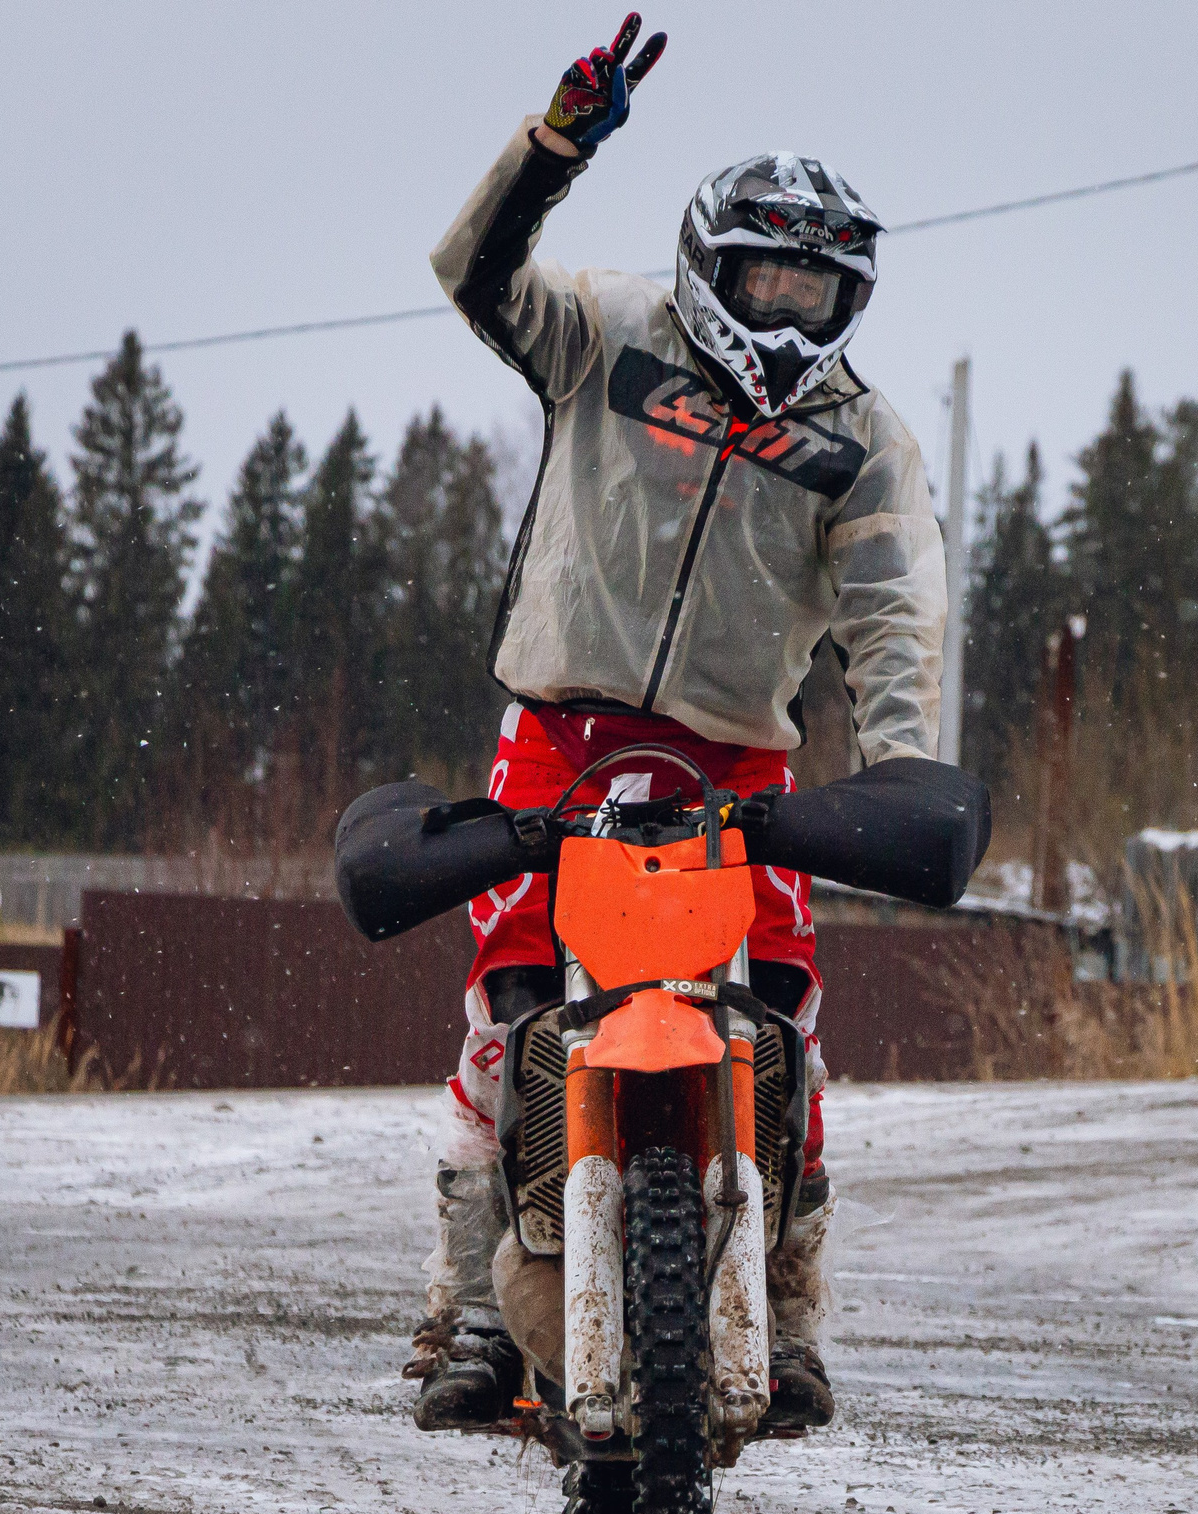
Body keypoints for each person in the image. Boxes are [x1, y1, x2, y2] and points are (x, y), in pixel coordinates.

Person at [407, 12, 946, 1436]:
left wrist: (901, 774)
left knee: (784, 1031)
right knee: (508, 1012)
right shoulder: (603, 332)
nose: (784, 314)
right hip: (561, 741)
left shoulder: (861, 435)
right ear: (707, 267)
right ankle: (469, 1310)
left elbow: (895, 610)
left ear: (853, 300)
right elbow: (473, 275)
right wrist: (550, 151)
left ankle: (797, 1320)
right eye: (762, 277)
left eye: (816, 290)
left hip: (742, 766)